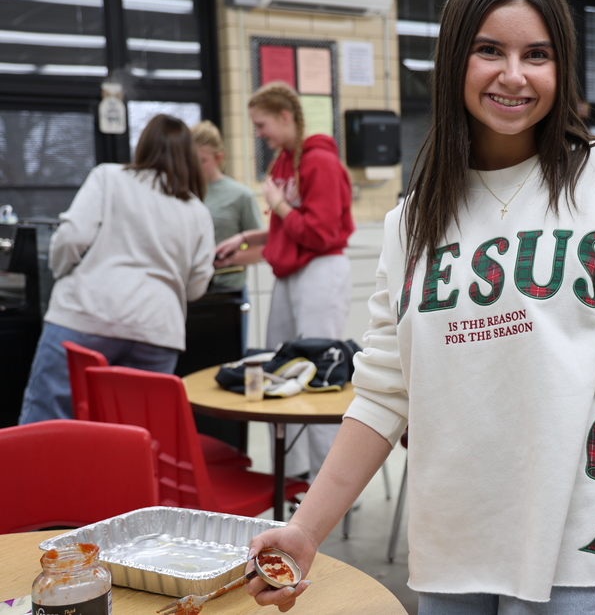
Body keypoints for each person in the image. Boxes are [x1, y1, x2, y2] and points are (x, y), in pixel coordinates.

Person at [244, 0, 595, 615]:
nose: (514, 74)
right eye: (489, 50)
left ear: (560, 69)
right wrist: (306, 527)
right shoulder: (412, 222)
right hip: (452, 547)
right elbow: (384, 393)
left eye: (537, 54)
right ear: (455, 62)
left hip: (582, 545)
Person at [19, 114, 215, 424]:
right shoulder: (197, 209)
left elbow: (72, 237)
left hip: (86, 314)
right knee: (135, 437)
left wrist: (60, 272)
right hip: (157, 330)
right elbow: (196, 286)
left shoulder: (109, 177)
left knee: (48, 423)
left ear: (143, 146)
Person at [215, 82, 355, 483]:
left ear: (285, 117)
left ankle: (325, 483)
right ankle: (291, 477)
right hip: (292, 273)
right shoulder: (284, 162)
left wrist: (277, 205)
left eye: (262, 125)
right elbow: (288, 227)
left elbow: (319, 232)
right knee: (279, 369)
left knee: (317, 375)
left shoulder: (320, 163)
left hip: (321, 268)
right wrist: (243, 239)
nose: (259, 133)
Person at [192, 120, 264, 351]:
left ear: (219, 158)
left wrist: (231, 258)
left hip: (226, 291)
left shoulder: (239, 196)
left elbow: (261, 248)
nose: (194, 167)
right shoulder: (181, 192)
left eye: (201, 161)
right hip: (189, 292)